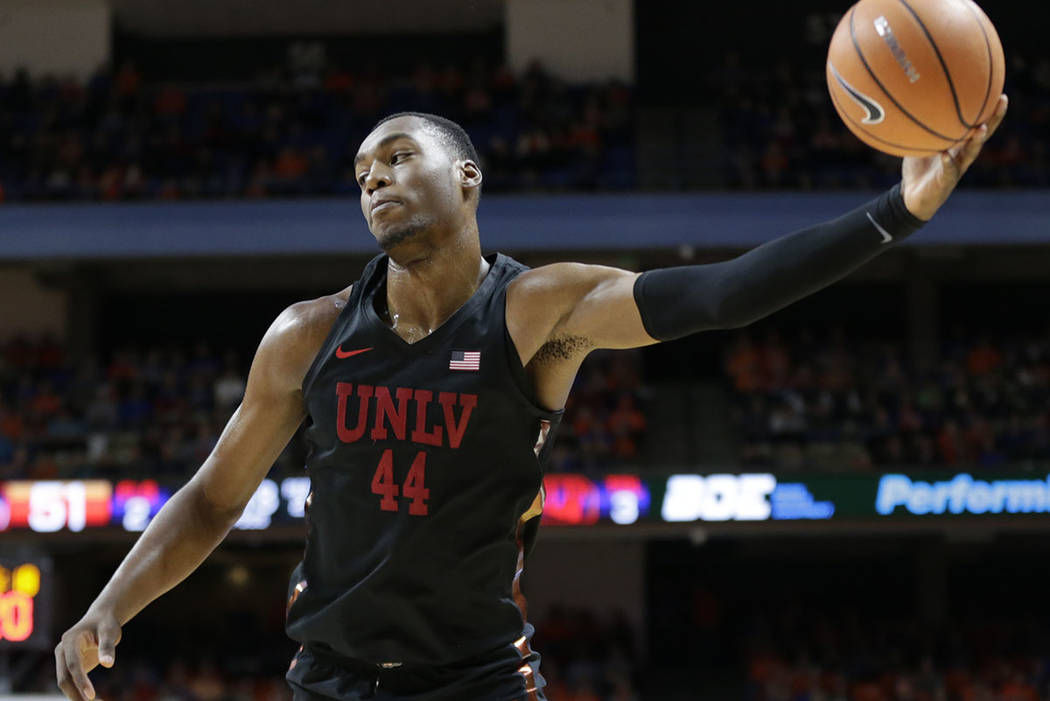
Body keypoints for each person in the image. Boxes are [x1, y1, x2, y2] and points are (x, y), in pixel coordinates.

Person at [55, 96, 1009, 701]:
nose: (374, 180)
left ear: (467, 176)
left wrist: (898, 211)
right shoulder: (308, 333)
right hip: (330, 680)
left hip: (479, 681)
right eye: (360, 174)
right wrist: (110, 605)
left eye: (394, 157)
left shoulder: (537, 311)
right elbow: (215, 496)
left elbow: (720, 294)